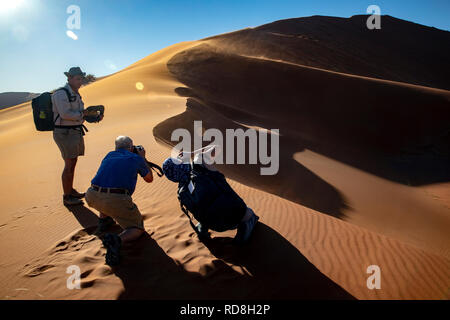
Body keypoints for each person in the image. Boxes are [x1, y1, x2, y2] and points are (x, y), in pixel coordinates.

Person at [162, 145, 259, 244]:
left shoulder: (181, 192)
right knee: (248, 213)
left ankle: (202, 228)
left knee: (204, 204)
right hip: (234, 217)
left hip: (216, 226)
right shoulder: (200, 164)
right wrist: (191, 154)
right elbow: (217, 147)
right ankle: (245, 228)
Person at [85, 136, 153, 266]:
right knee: (136, 228)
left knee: (104, 193)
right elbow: (149, 178)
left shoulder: (109, 155)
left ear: (116, 147)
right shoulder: (136, 158)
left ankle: (104, 221)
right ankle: (116, 240)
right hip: (115, 199)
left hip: (91, 195)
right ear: (132, 147)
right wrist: (142, 158)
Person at [52, 67, 103, 206]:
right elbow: (65, 114)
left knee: (73, 162)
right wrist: (83, 115)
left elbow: (79, 113)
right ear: (69, 78)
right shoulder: (61, 94)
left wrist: (93, 116)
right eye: (77, 79)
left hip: (74, 131)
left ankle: (70, 190)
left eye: (81, 78)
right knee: (69, 164)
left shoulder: (76, 94)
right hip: (64, 133)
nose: (80, 81)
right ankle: (67, 197)